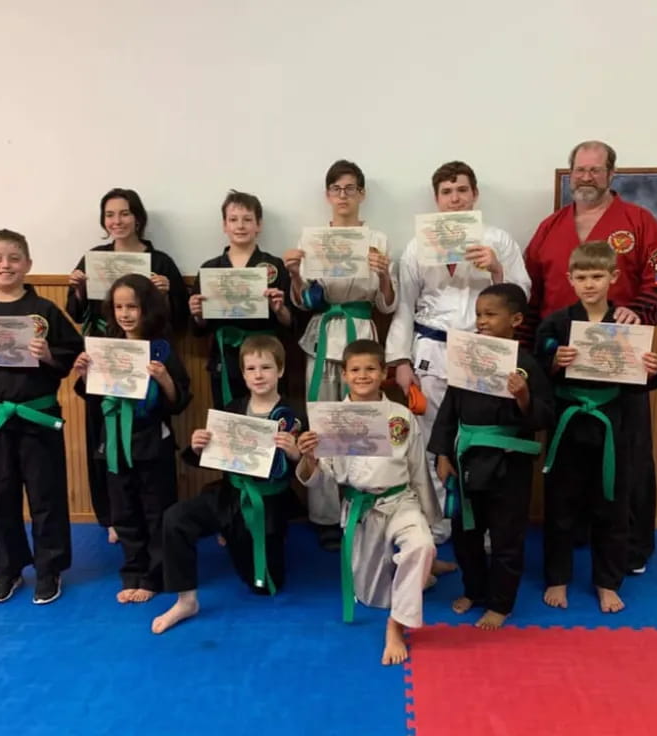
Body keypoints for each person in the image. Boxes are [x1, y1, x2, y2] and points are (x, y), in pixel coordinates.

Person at [522, 141, 657, 573]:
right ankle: (570, 536)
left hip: (620, 362)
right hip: (563, 360)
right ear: (570, 173)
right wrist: (531, 353)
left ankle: (629, 549)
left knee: (627, 455)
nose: (586, 177)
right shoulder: (549, 228)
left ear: (612, 174)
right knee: (568, 456)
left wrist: (640, 311)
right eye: (580, 169)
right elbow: (534, 297)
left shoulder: (640, 222)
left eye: (595, 169)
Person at [385, 161, 531, 545]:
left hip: (484, 350)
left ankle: (482, 524)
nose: (455, 198)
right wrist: (400, 361)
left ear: (475, 195)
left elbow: (523, 297)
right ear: (437, 199)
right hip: (432, 348)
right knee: (433, 438)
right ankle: (437, 522)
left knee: (481, 437)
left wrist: (498, 270)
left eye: (462, 190)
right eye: (447, 192)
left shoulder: (498, 241)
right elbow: (404, 305)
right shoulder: (418, 246)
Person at [0, 228, 81, 604]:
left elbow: (72, 356)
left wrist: (47, 356)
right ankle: (6, 569)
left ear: (27, 264)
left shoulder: (45, 312)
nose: (5, 265)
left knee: (47, 495)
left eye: (13, 258)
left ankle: (49, 569)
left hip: (38, 417)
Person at [535, 242, 657, 614]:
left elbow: (635, 379)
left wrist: (650, 369)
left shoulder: (627, 324)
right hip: (568, 423)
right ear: (570, 279)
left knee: (612, 505)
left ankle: (608, 582)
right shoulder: (556, 323)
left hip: (613, 425)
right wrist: (555, 362)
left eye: (596, 276)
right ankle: (557, 578)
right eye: (581, 277)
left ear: (613, 278)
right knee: (560, 503)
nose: (589, 284)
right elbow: (538, 368)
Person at [296, 339, 440, 666]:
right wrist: (308, 456)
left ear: (383, 373)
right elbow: (320, 477)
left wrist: (429, 519)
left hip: (400, 500)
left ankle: (396, 626)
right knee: (374, 598)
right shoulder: (331, 419)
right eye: (356, 370)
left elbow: (418, 466)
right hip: (361, 509)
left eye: (371, 369)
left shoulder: (400, 416)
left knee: (421, 546)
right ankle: (422, 574)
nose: (363, 376)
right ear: (344, 375)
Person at [151, 335, 304, 634]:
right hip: (229, 495)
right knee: (175, 518)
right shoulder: (232, 409)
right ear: (243, 374)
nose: (258, 375)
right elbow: (213, 457)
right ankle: (186, 599)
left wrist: (295, 453)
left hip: (267, 504)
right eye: (251, 369)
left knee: (263, 585)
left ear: (280, 371)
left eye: (266, 367)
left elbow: (309, 471)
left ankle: (239, 536)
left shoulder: (295, 416)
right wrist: (198, 447)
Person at [283, 159, 396, 551]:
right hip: (323, 331)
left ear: (362, 193)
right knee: (323, 424)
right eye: (336, 189)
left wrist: (383, 273)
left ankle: (364, 505)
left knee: (360, 421)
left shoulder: (377, 239)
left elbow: (385, 305)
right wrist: (296, 274)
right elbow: (307, 300)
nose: (343, 196)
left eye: (351, 188)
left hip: (360, 335)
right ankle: (326, 515)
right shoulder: (312, 238)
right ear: (328, 195)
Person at [66, 188, 189, 543]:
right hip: (106, 357)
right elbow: (77, 313)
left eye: (124, 213)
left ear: (138, 217)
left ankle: (153, 517)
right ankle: (114, 518)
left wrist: (167, 293)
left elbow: (179, 319)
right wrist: (76, 290)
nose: (116, 221)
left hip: (149, 356)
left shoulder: (160, 261)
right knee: (103, 436)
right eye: (109, 215)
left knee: (150, 431)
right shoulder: (93, 258)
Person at [428, 284, 554, 629]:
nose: (481, 321)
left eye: (490, 314)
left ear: (515, 319)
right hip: (467, 457)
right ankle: (475, 590)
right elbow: (449, 408)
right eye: (479, 314)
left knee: (505, 537)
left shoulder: (526, 364)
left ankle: (501, 603)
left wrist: (524, 397)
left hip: (508, 463)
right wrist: (442, 452)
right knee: (465, 532)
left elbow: (545, 416)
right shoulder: (468, 357)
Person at [73, 274, 191, 603]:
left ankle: (155, 575)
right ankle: (132, 571)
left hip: (152, 441)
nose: (125, 314)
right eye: (119, 307)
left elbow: (180, 401)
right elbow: (92, 397)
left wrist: (164, 378)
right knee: (123, 510)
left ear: (147, 309)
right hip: (113, 442)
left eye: (133, 307)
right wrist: (84, 373)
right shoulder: (105, 344)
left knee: (156, 511)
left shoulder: (162, 348)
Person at [189, 190, 293, 411]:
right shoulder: (210, 269)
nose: (240, 226)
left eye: (248, 220)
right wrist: (197, 314)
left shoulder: (273, 265)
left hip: (265, 354)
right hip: (225, 356)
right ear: (224, 225)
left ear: (259, 225)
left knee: (269, 413)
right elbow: (198, 329)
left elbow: (290, 322)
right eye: (233, 220)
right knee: (227, 417)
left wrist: (280, 309)